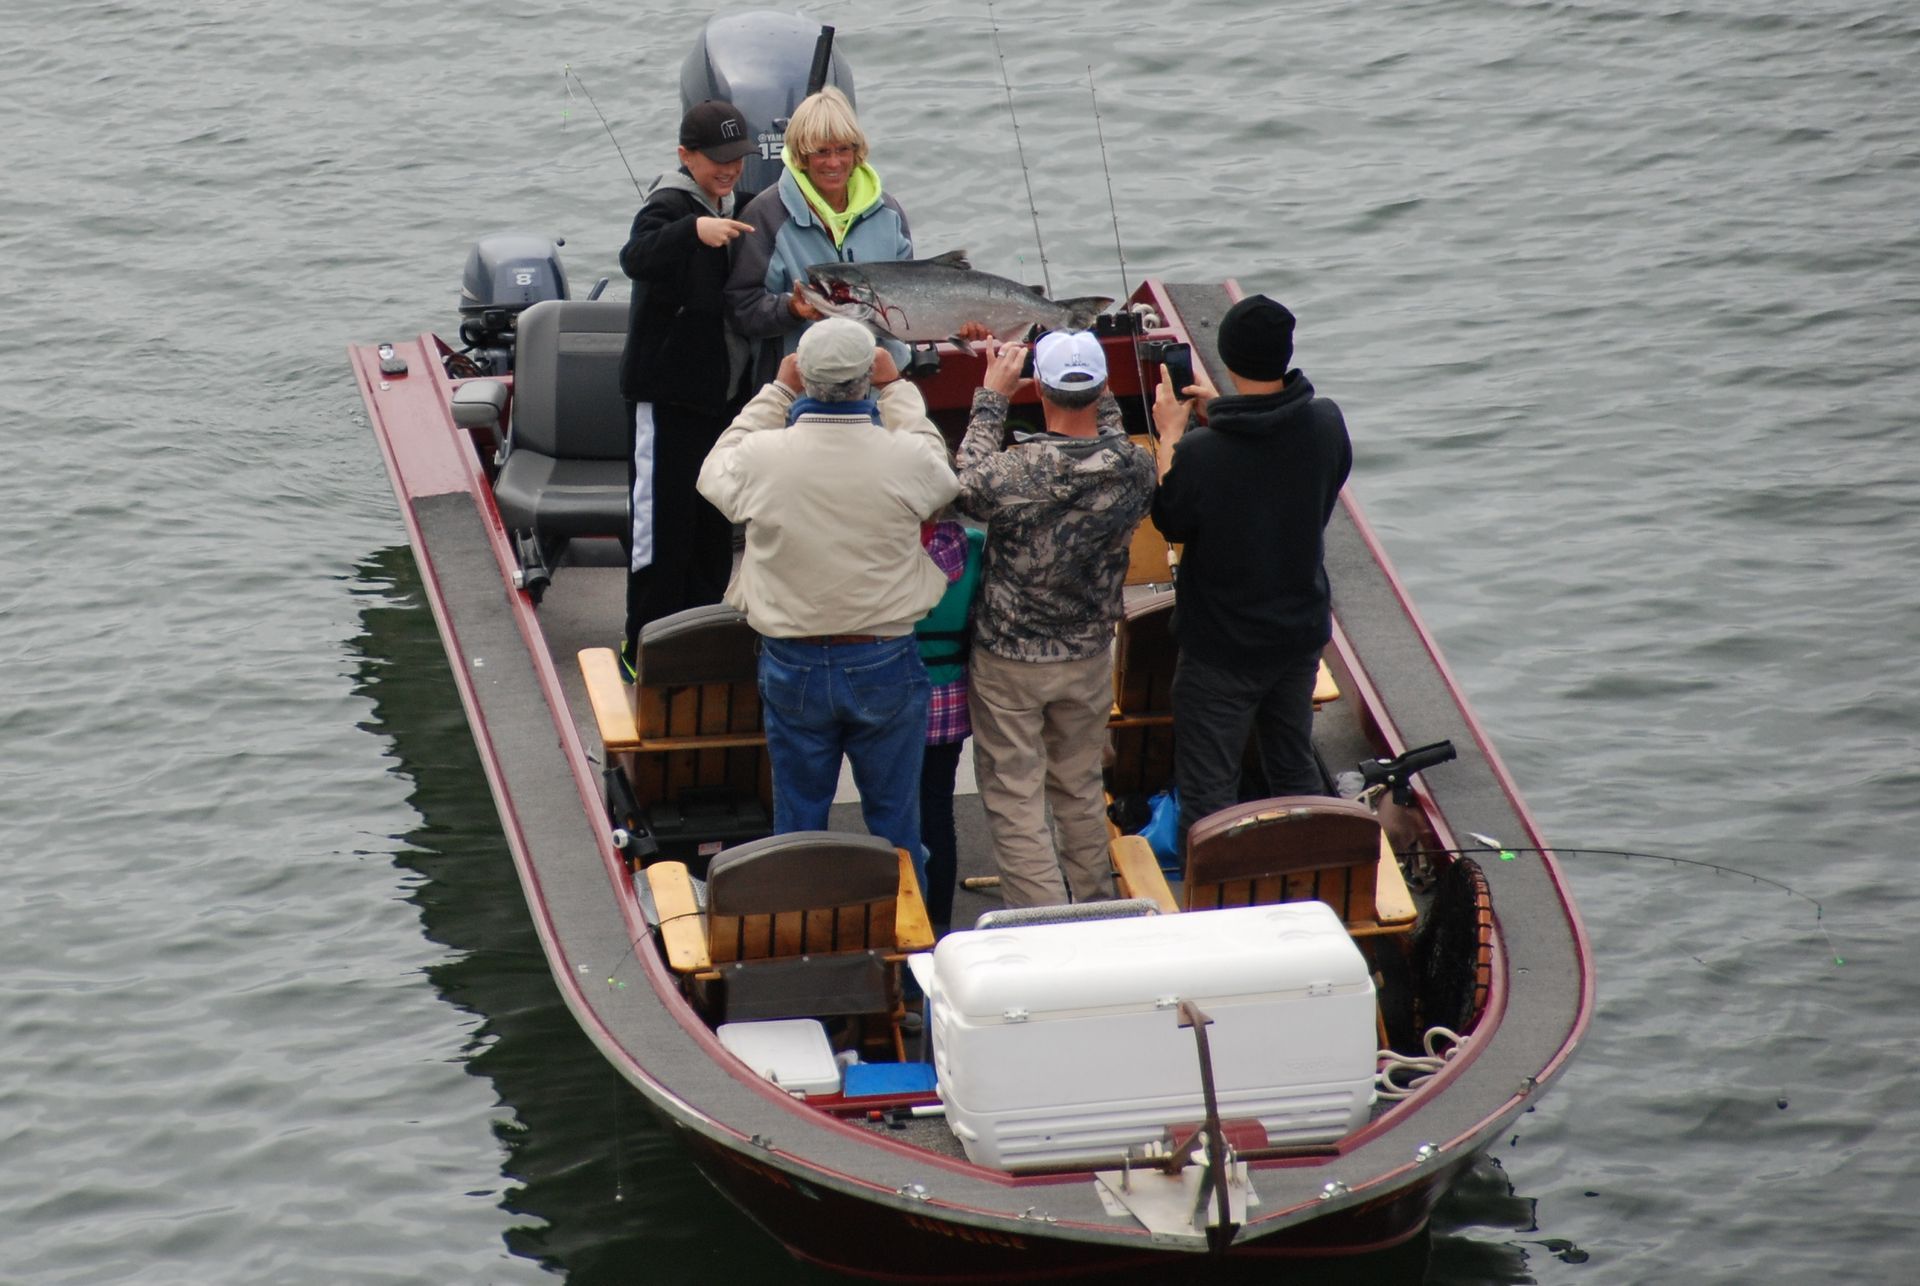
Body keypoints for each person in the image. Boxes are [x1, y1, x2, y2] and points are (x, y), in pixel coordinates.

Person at [695, 317, 958, 864]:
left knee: (797, 827)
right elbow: (940, 475)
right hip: (883, 658)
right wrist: (899, 388)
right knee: (898, 831)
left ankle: (802, 933)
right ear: (868, 376)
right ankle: (910, 944)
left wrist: (776, 390)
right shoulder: (903, 456)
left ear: (803, 376)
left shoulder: (763, 457)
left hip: (792, 661)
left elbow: (715, 468)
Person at [954, 332, 1155, 910]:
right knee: (1079, 787)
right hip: (1090, 655)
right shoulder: (1135, 467)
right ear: (1100, 388)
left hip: (1009, 659)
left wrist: (992, 396)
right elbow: (1107, 430)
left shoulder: (1018, 472)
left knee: (1016, 797)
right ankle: (1094, 903)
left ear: (1037, 387)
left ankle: (1043, 921)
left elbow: (964, 486)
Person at [1149, 294, 1353, 853]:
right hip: (1298, 636)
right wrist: (1225, 414)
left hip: (1223, 650)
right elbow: (1285, 469)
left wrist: (1170, 435)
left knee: (1210, 796)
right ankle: (1316, 883)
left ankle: (1221, 910)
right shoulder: (1326, 423)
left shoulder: (1202, 455)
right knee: (1292, 766)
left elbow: (1172, 518)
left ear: (1228, 357)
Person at [616, 99, 759, 676]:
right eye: (716, 159)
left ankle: (699, 640)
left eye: (737, 159)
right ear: (686, 155)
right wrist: (693, 231)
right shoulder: (667, 206)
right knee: (661, 526)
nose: (728, 170)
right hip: (666, 399)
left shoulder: (741, 205)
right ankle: (642, 643)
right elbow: (635, 256)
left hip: (720, 400)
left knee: (711, 524)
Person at [724, 86, 911, 386]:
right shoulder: (765, 217)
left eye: (843, 149)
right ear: (801, 156)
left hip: (879, 388)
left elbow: (909, 302)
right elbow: (741, 309)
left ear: (856, 150)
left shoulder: (889, 213)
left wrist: (956, 327)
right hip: (800, 392)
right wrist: (791, 309)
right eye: (821, 152)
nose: (834, 163)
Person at [915, 515, 985, 936]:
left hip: (894, 693)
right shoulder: (973, 546)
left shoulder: (887, 548)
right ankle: (938, 920)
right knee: (937, 808)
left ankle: (901, 918)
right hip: (950, 697)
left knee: (894, 812)